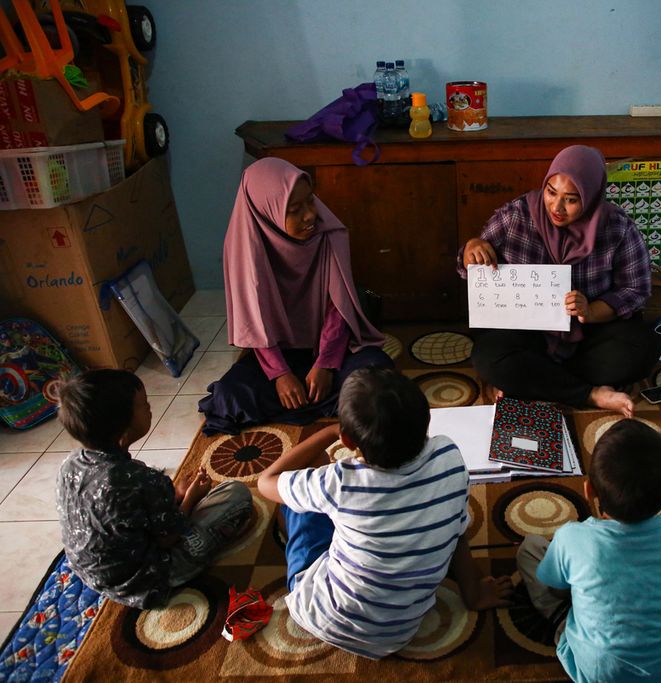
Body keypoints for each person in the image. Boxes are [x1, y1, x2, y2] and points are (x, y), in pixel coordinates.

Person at [256, 367, 513, 658]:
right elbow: (457, 531)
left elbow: (265, 483)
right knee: (445, 513)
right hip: (402, 629)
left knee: (296, 493)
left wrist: (328, 432)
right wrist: (474, 591)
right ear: (426, 420)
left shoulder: (340, 482)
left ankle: (298, 547)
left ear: (349, 441)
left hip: (324, 613)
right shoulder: (449, 456)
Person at [458, 145, 660, 418]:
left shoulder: (617, 227)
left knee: (644, 348)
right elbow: (471, 266)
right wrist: (472, 248)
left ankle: (532, 380)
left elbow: (636, 290)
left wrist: (591, 310)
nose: (556, 207)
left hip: (589, 336)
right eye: (551, 192)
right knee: (488, 356)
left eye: (571, 199)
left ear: (591, 196)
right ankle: (590, 393)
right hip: (528, 334)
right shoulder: (517, 215)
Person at [199, 157, 391, 435]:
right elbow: (252, 322)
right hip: (275, 354)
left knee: (378, 378)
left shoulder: (327, 234)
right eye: (295, 209)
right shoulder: (244, 250)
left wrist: (325, 363)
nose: (310, 215)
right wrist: (280, 374)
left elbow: (337, 309)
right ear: (268, 212)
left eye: (310, 202)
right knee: (229, 396)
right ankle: (324, 402)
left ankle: (308, 400)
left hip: (329, 351)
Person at [517, 419, 661, 683]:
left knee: (530, 549)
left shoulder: (571, 537)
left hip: (595, 671)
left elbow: (557, 591)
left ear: (588, 490)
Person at [56, 370, 253, 609]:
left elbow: (123, 514)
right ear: (123, 428)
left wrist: (175, 494)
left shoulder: (70, 464)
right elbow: (169, 538)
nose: (150, 408)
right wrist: (190, 498)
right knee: (236, 494)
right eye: (144, 405)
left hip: (91, 574)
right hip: (149, 579)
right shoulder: (141, 479)